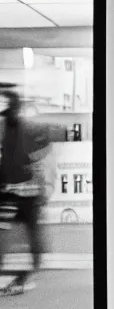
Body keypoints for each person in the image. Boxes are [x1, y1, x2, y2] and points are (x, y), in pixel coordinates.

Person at [0, 89, 47, 294]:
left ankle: (35, 265)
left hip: (23, 191)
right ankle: (33, 264)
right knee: (9, 229)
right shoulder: (9, 127)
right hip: (11, 190)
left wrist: (41, 187)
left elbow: (39, 156)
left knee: (29, 230)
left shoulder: (25, 129)